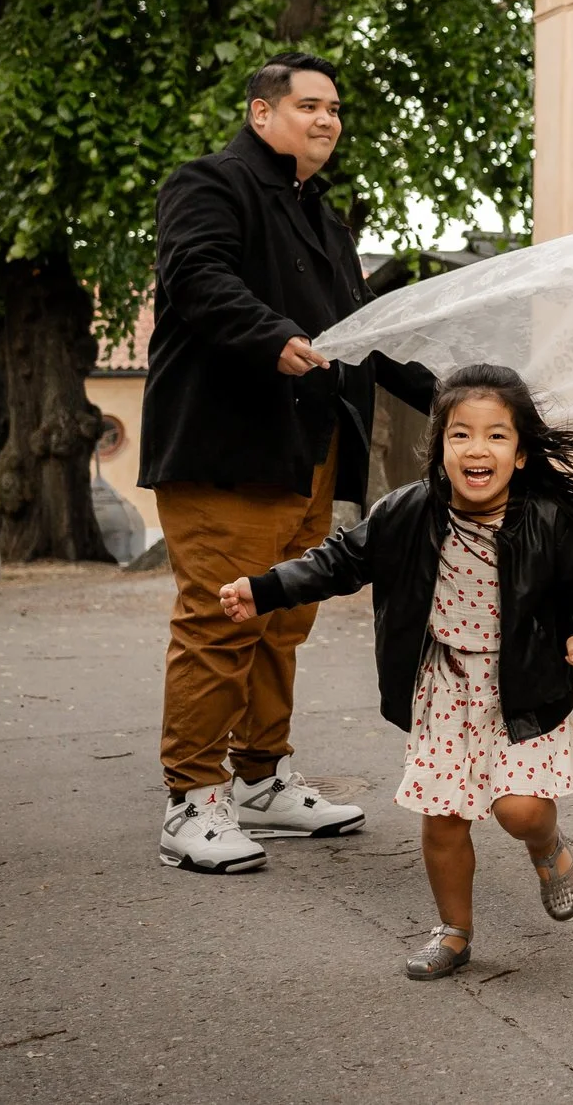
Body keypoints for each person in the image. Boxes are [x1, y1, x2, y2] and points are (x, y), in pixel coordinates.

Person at [219, 365, 573, 979]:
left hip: (523, 686)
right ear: (440, 448)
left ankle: (547, 846)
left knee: (521, 811)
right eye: (461, 435)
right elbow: (338, 561)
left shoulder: (545, 518)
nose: (477, 449)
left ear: (521, 453)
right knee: (444, 818)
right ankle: (454, 931)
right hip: (443, 688)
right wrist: (266, 589)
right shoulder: (405, 513)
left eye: (496, 436)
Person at [140, 52, 435, 873]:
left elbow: (362, 331)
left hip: (308, 452)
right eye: (309, 105)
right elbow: (197, 279)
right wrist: (275, 336)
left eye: (336, 108)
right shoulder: (209, 183)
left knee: (281, 618)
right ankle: (192, 800)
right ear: (262, 113)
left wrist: (461, 396)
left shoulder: (323, 218)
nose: (328, 120)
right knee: (221, 617)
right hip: (227, 447)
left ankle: (261, 779)